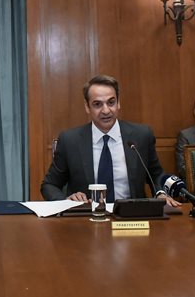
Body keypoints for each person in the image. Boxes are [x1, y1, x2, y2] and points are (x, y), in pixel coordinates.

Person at [41, 75, 178, 206]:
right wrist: (67, 201)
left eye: (111, 102)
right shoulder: (70, 141)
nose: (106, 110)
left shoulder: (141, 136)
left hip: (132, 216)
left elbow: (156, 175)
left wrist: (160, 194)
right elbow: (49, 185)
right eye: (97, 104)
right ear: (87, 107)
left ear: (118, 103)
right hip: (87, 217)